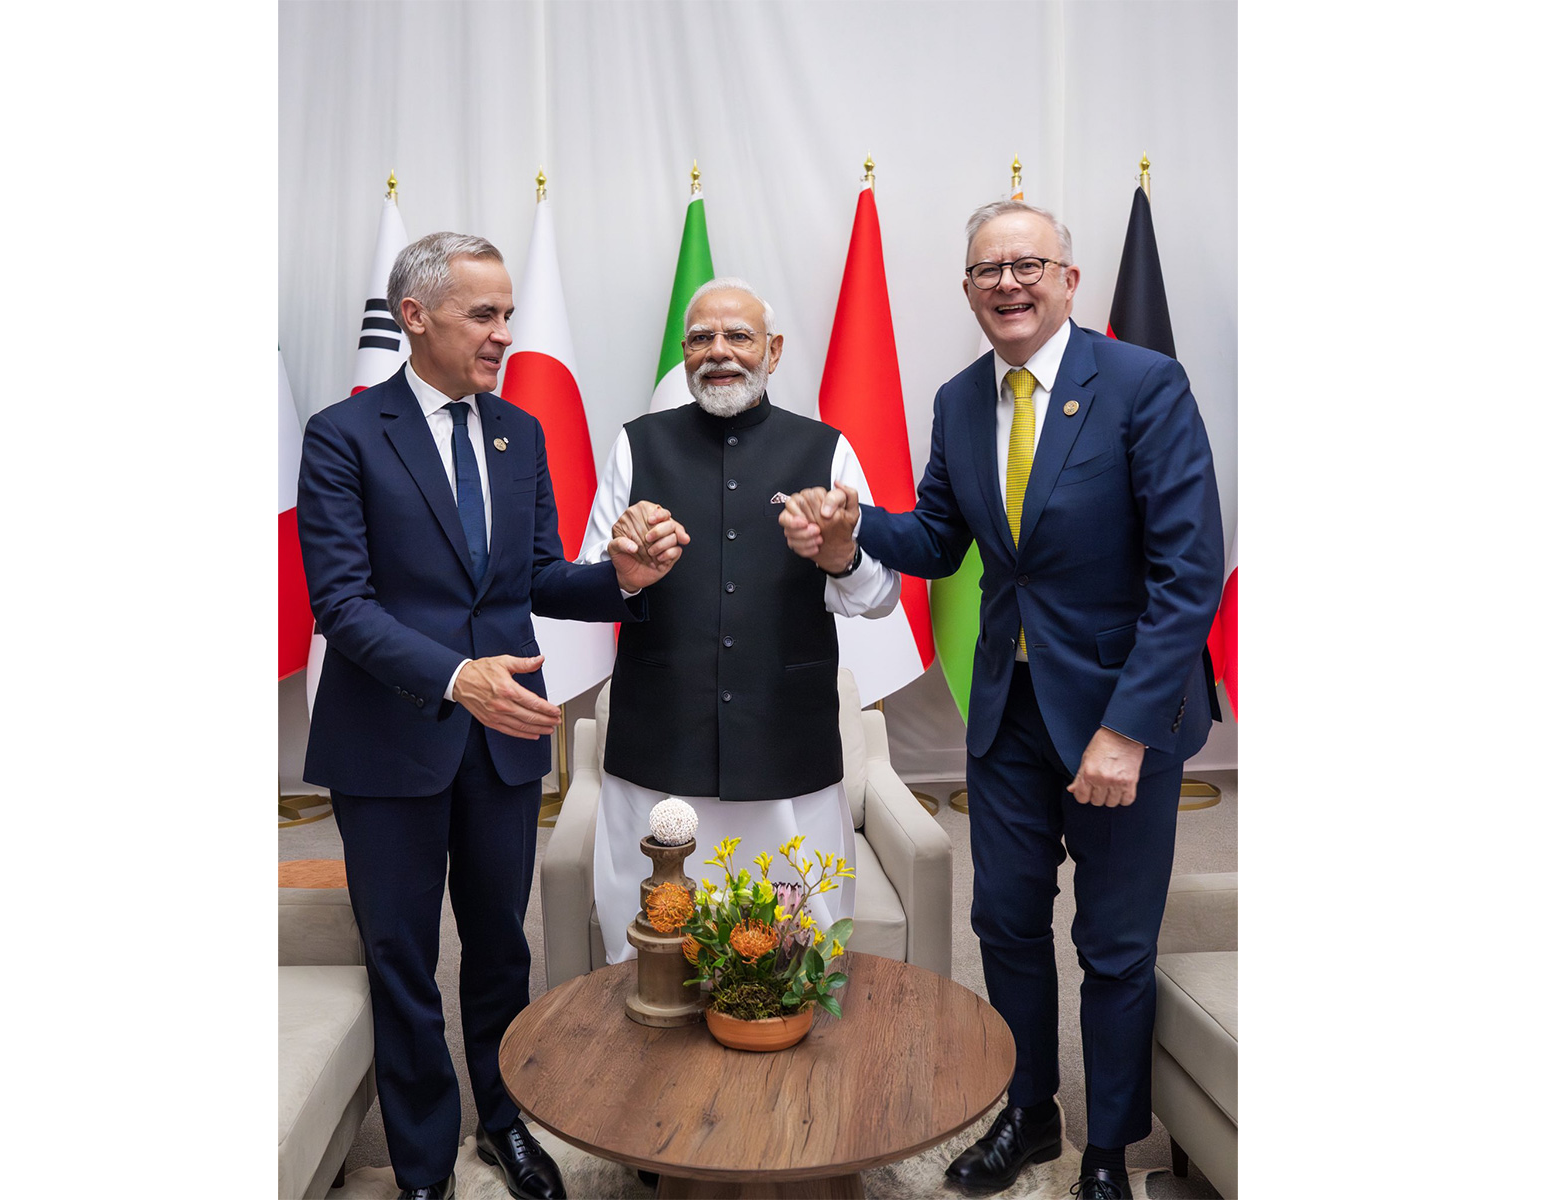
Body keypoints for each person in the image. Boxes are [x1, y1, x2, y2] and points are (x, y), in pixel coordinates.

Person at [780, 202, 1224, 1200]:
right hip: (1008, 711)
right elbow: (940, 540)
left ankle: (1106, 1147)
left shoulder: (1142, 385)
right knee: (1007, 924)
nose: (1007, 284)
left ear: (1068, 279)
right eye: (987, 270)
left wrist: (1124, 733)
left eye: (1027, 264)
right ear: (969, 291)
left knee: (1110, 945)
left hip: (1120, 720)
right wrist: (853, 538)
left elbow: (1187, 575)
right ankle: (1030, 1115)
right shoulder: (955, 398)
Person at [298, 231, 687, 1200]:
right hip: (387, 742)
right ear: (417, 316)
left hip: (504, 743)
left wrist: (623, 582)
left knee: (501, 947)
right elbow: (341, 607)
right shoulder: (342, 436)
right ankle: (425, 1165)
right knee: (401, 957)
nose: (504, 333)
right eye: (484, 314)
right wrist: (455, 676)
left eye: (510, 313)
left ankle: (507, 1125)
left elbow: (539, 575)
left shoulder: (520, 433)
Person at [579, 278, 900, 963]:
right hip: (659, 749)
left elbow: (878, 598)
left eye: (738, 337)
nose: (718, 352)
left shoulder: (827, 449)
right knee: (654, 954)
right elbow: (589, 585)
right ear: (686, 351)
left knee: (790, 956)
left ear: (774, 351)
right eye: (701, 338)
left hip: (786, 747)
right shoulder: (638, 445)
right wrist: (625, 569)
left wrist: (841, 555)